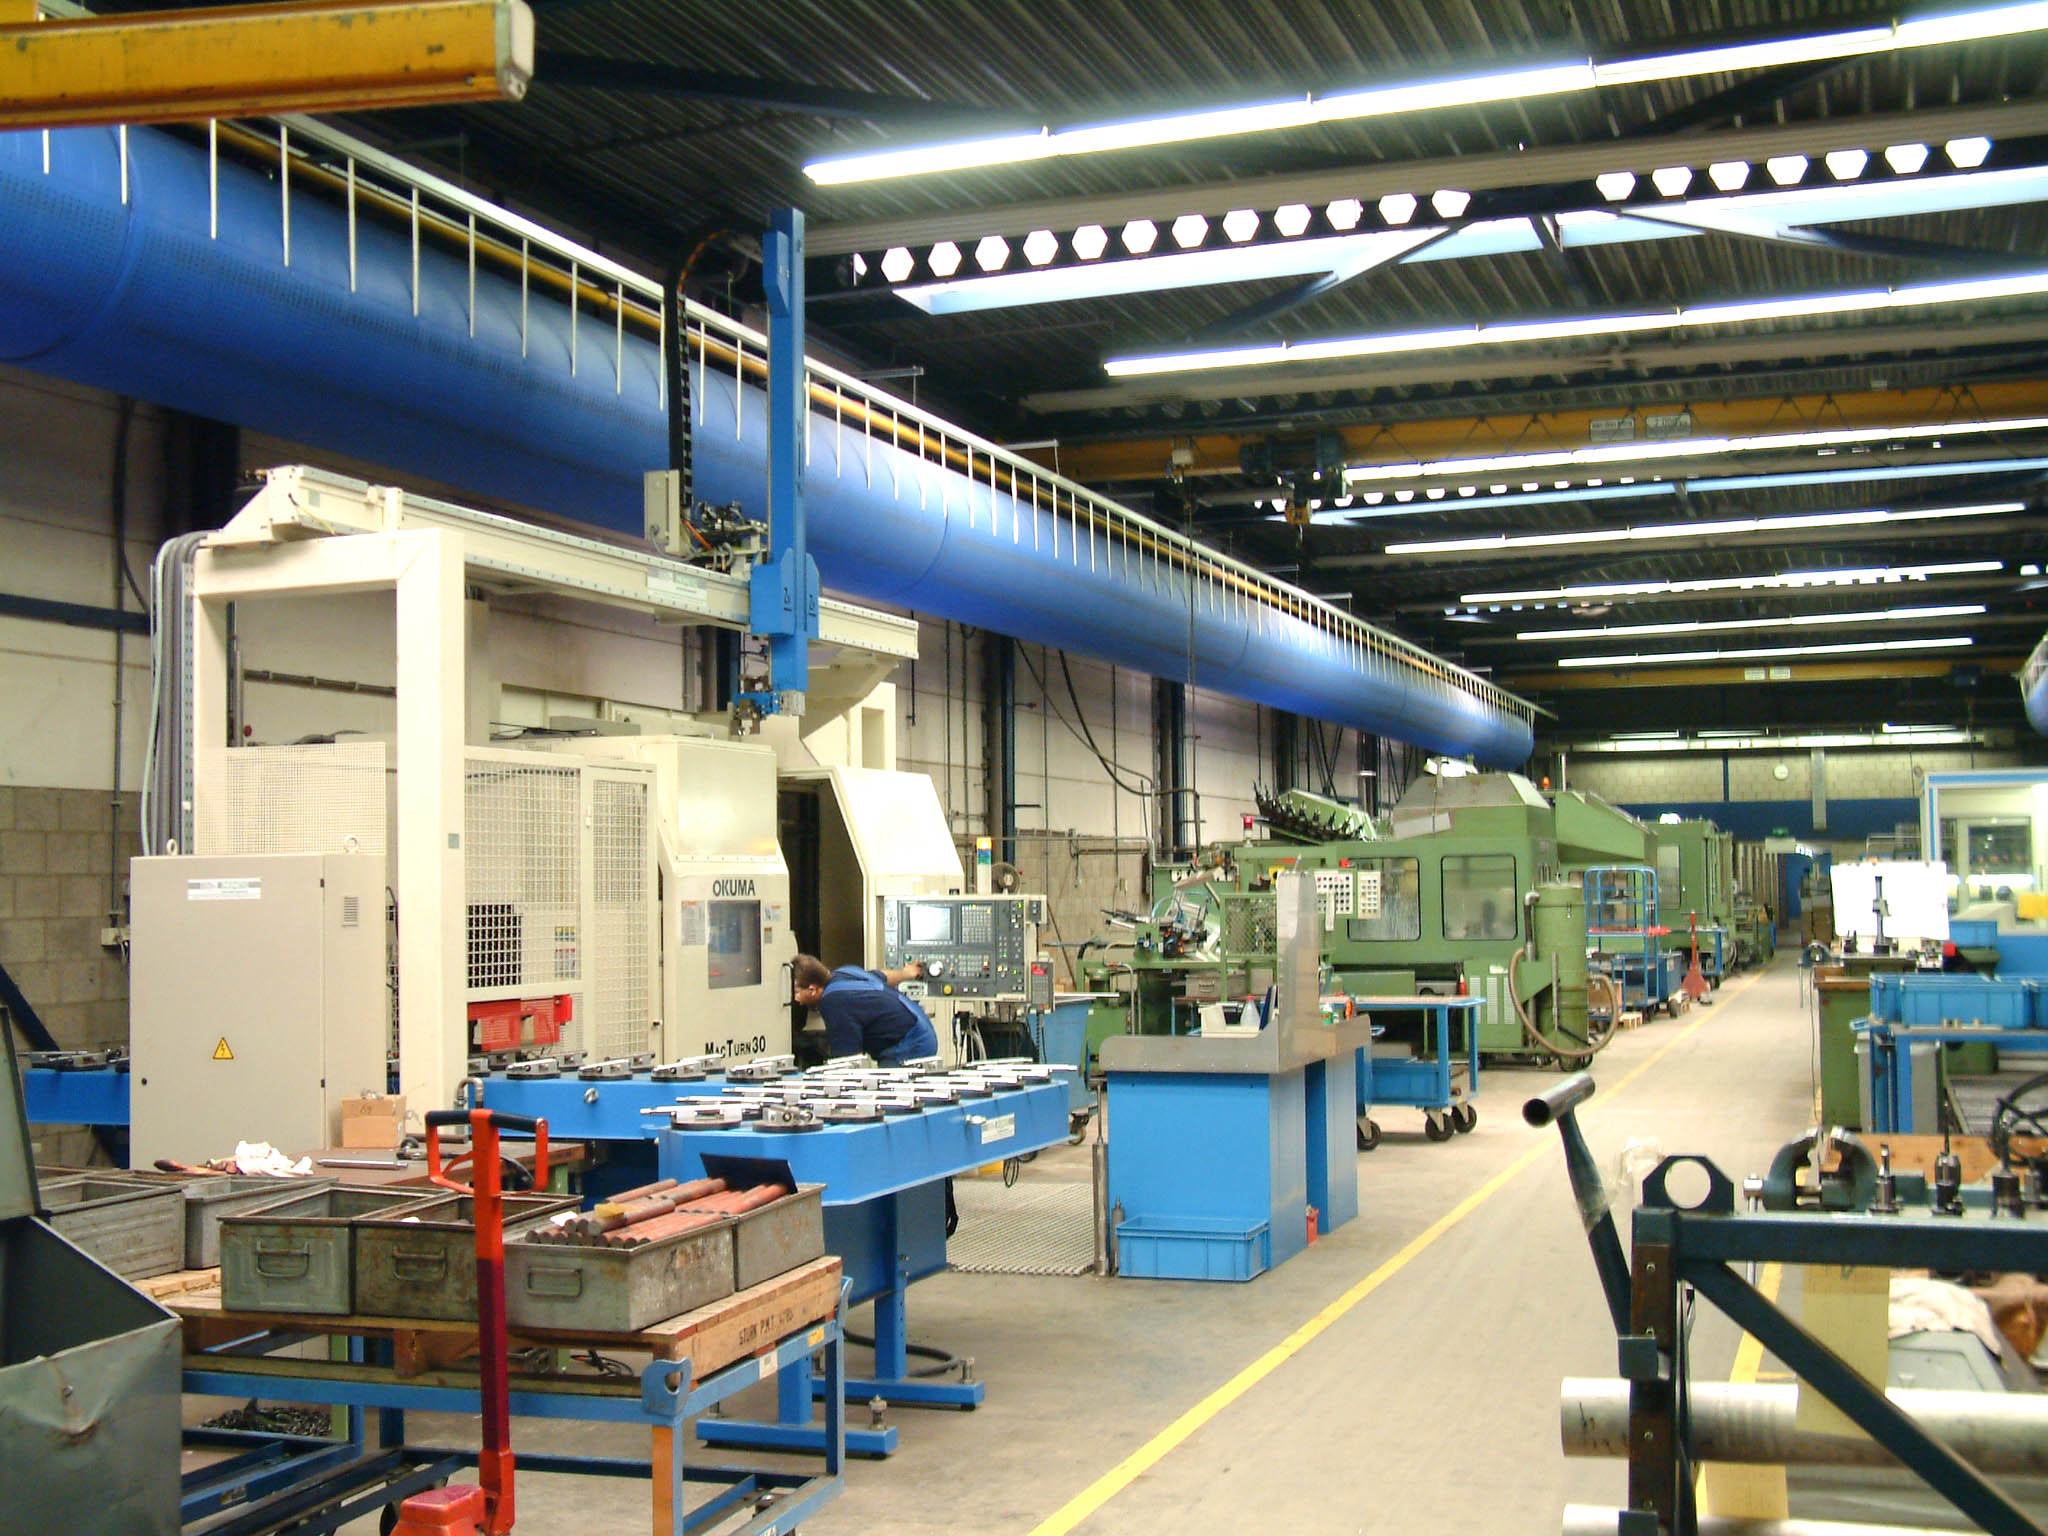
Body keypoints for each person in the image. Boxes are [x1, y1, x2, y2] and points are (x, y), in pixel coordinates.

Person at [792, 953, 940, 1064]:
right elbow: (883, 976)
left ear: (812, 989)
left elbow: (847, 1060)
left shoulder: (833, 1001)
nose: (796, 999)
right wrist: (905, 974)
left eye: (797, 993)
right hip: (921, 1025)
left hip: (911, 1042)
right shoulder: (845, 972)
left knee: (892, 1091)